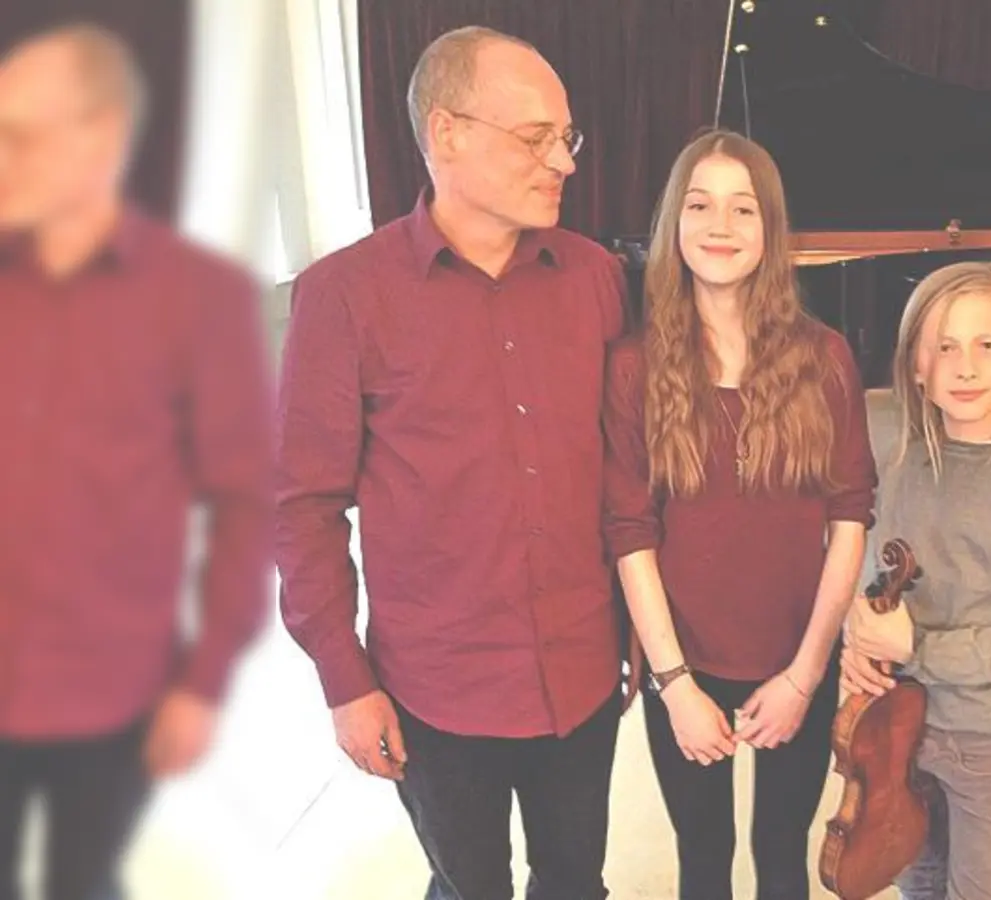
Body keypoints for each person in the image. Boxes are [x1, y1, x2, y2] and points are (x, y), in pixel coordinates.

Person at [276, 26, 625, 900]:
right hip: (437, 686)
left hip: (583, 672)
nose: (564, 163)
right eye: (536, 138)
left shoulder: (597, 280)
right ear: (447, 134)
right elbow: (303, 508)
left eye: (566, 139)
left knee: (577, 881)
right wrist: (345, 681)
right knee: (469, 887)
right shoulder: (344, 297)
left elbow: (633, 472)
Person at [0, 23, 271, 900]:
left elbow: (247, 502)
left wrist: (204, 680)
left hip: (113, 689)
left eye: (22, 135)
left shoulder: (199, 299)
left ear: (105, 137)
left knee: (85, 878)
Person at [601, 129, 875, 900]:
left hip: (797, 660)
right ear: (673, 223)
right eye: (699, 204)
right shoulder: (634, 364)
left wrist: (806, 674)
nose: (720, 226)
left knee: (782, 854)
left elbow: (849, 517)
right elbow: (631, 534)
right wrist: (675, 685)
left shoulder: (824, 359)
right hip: (684, 666)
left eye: (742, 208)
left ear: (770, 228)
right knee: (703, 859)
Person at [845, 261, 991, 900]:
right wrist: (860, 634)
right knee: (916, 879)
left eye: (987, 345)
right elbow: (879, 584)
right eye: (944, 347)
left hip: (988, 742)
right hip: (903, 733)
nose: (966, 366)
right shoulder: (903, 466)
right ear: (917, 369)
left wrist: (919, 650)